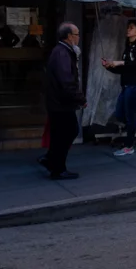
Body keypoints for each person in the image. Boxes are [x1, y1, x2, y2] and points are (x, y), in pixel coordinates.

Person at [102, 19, 136, 156]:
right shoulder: (128, 48)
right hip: (126, 85)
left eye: (131, 28)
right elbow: (125, 68)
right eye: (128, 27)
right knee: (120, 114)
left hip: (135, 86)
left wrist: (119, 62)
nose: (128, 30)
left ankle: (129, 146)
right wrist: (110, 67)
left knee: (130, 116)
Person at [42, 23, 86, 180]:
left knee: (60, 134)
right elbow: (67, 81)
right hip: (61, 103)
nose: (79, 37)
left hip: (59, 102)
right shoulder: (62, 53)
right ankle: (57, 167)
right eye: (77, 34)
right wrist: (80, 99)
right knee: (68, 131)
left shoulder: (63, 51)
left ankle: (51, 160)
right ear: (69, 36)